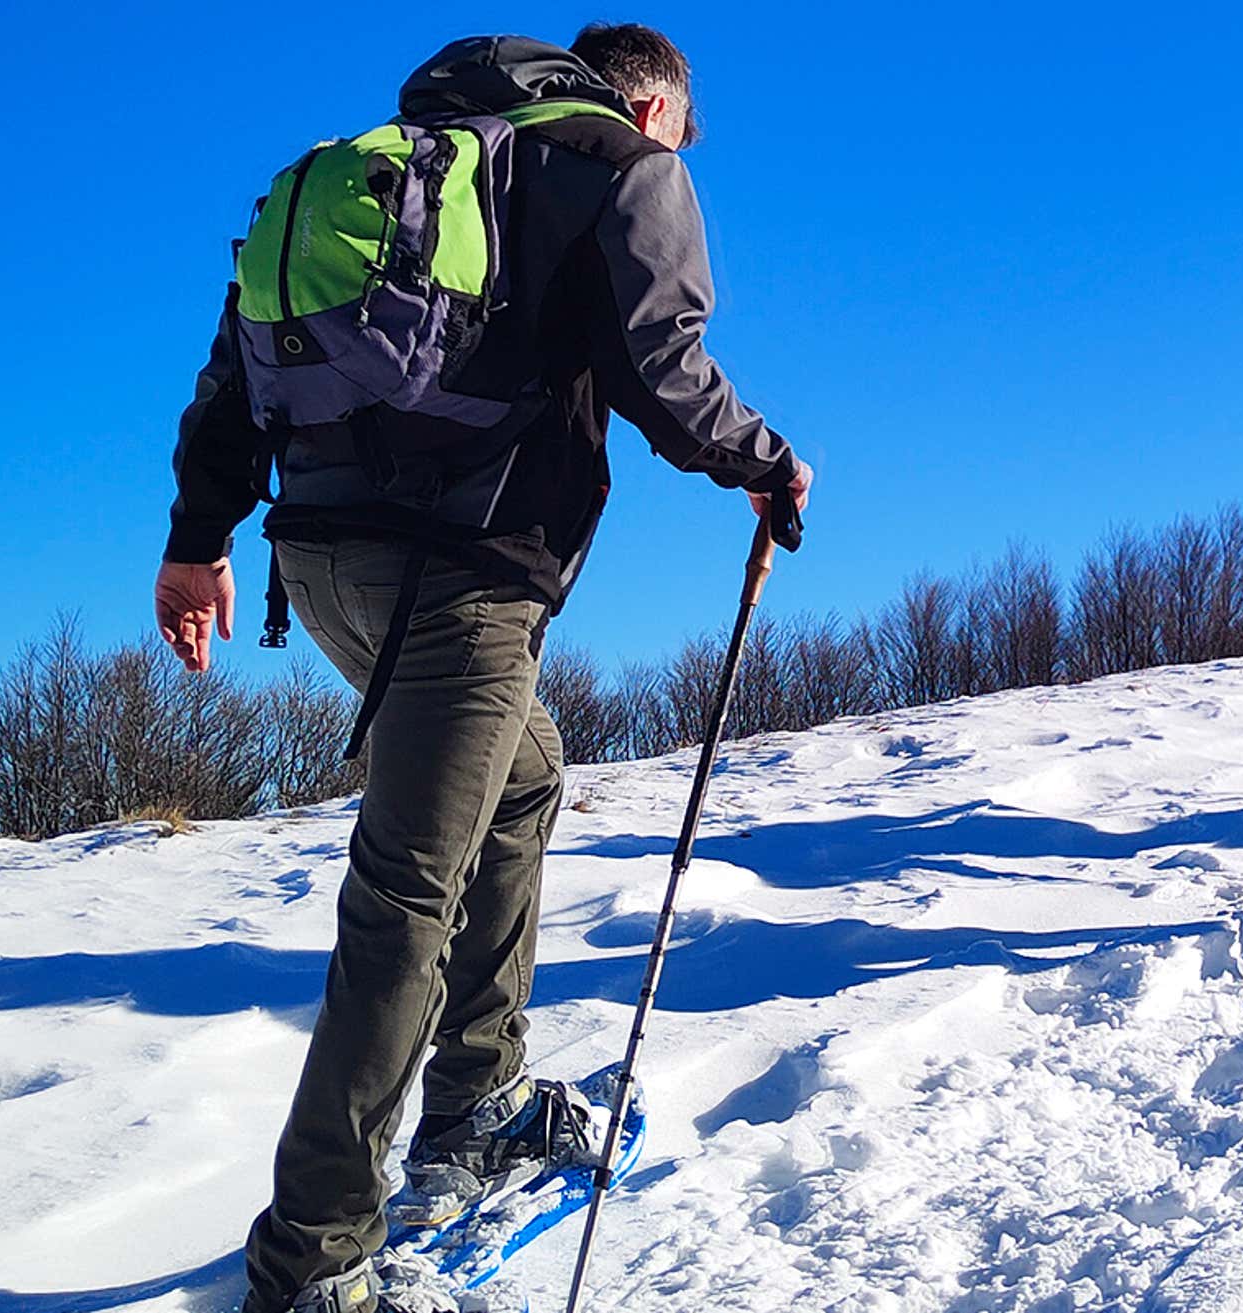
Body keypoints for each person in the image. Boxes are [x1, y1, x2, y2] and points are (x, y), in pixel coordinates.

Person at [152, 26, 812, 1313]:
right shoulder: (622, 163)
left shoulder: (391, 172)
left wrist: (195, 542)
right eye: (681, 128)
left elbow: (236, 366)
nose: (681, 154)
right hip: (462, 576)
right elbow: (659, 366)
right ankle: (317, 1260)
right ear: (651, 98)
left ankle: (477, 1099)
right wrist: (765, 458)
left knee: (524, 777)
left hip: (325, 565)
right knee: (405, 889)